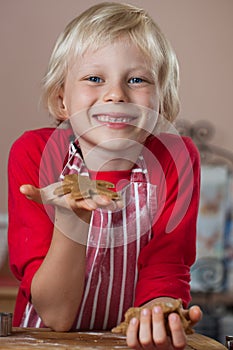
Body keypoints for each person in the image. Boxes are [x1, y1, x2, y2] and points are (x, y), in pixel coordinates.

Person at [8, 2, 202, 349]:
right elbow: (56, 315)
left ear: (162, 101)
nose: (116, 95)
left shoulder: (177, 158)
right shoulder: (35, 155)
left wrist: (156, 313)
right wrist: (72, 216)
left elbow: (168, 263)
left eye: (137, 80)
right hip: (41, 341)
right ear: (62, 98)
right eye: (94, 79)